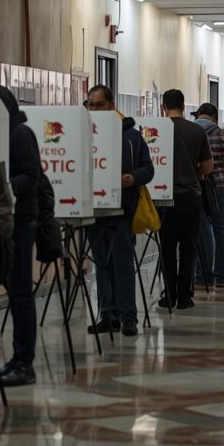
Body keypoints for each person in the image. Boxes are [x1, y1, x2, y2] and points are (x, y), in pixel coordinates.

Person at [0, 85, 40, 386]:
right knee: (14, 292)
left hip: (20, 220)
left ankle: (24, 361)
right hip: (1, 219)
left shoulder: (19, 133)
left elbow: (32, 175)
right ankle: (16, 358)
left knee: (21, 292)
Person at [86, 85, 154, 336]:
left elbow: (148, 169)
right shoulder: (83, 132)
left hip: (122, 210)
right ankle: (108, 315)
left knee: (123, 265)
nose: (94, 109)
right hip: (93, 210)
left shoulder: (132, 136)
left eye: (99, 104)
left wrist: (133, 178)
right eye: (90, 105)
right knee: (101, 265)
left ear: (112, 105)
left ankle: (128, 318)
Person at [157, 89, 212, 310]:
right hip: (191, 197)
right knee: (189, 247)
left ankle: (169, 294)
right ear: (184, 106)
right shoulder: (197, 131)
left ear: (163, 106)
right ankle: (185, 296)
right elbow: (208, 167)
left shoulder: (156, 131)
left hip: (164, 198)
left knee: (167, 248)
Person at [191, 102, 224, 288]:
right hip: (221, 185)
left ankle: (203, 275)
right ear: (215, 117)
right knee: (220, 228)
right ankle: (221, 276)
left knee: (203, 227)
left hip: (200, 185)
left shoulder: (192, 132)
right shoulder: (222, 133)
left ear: (200, 114)